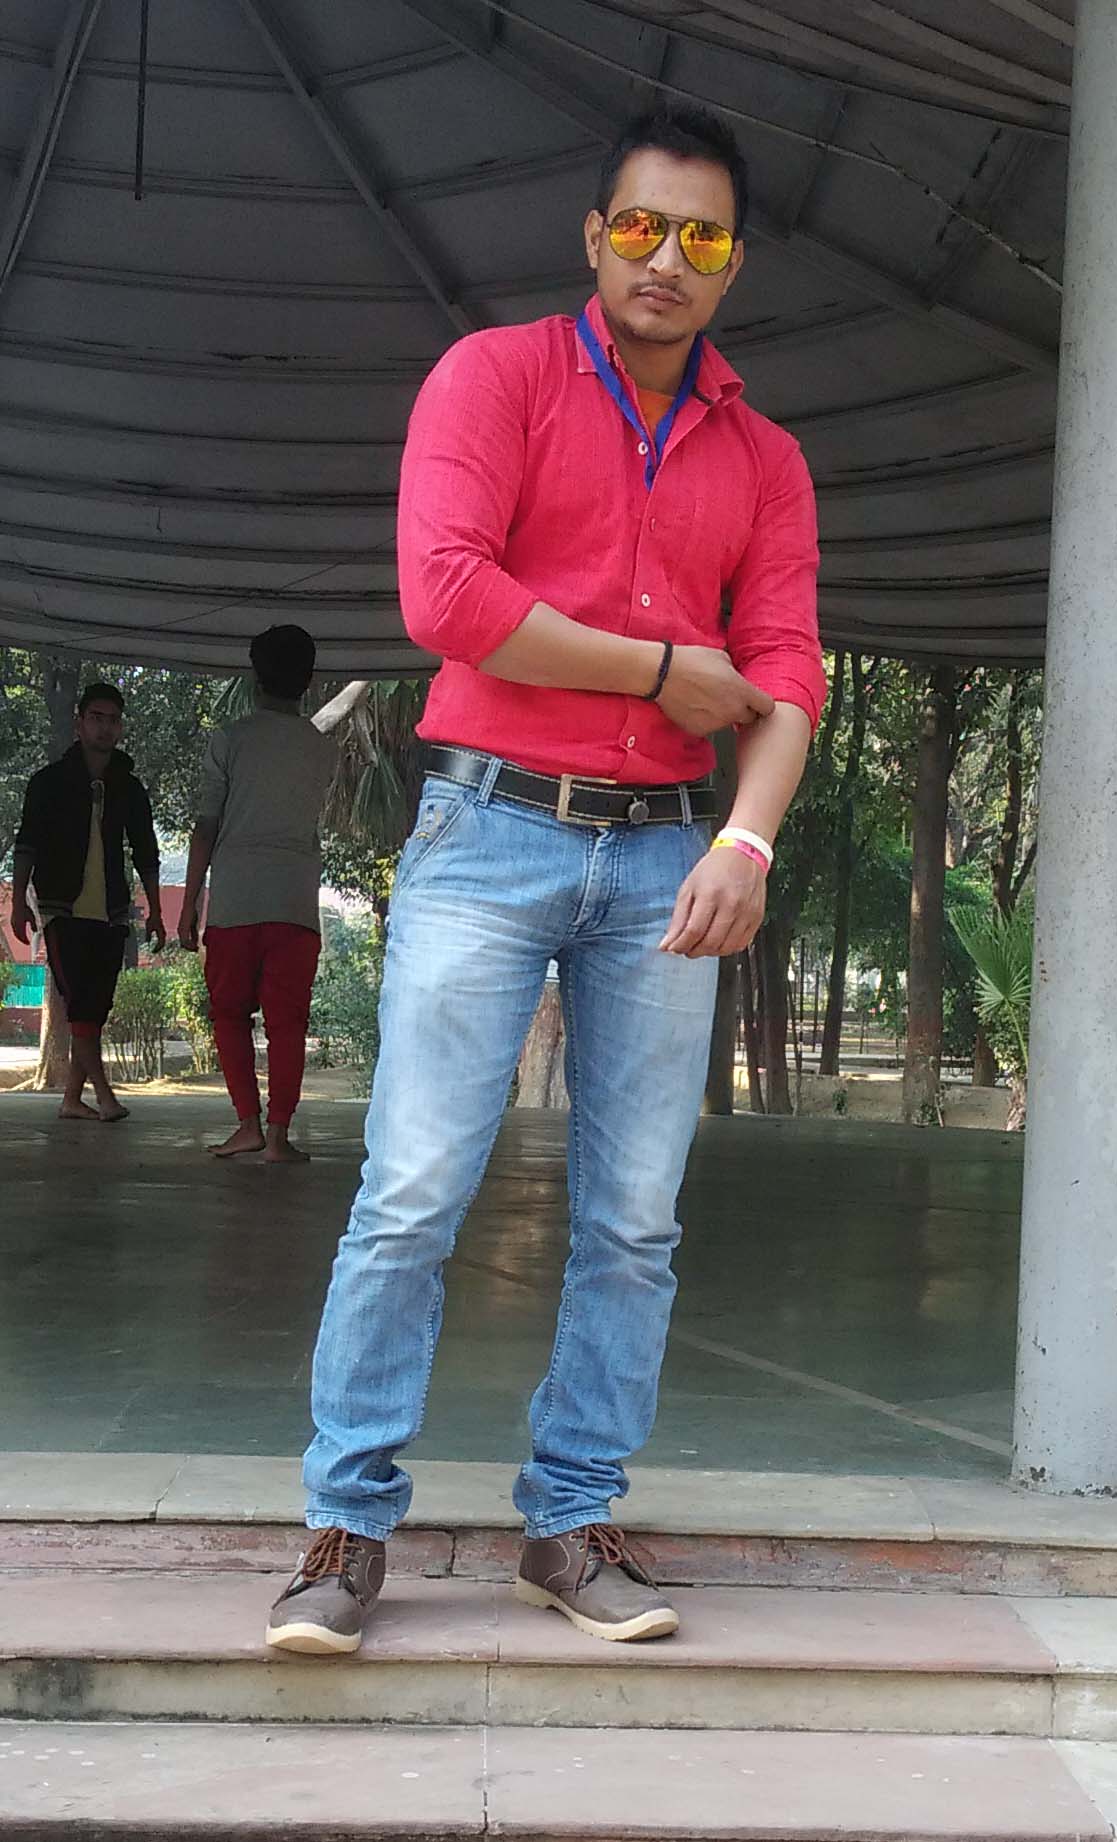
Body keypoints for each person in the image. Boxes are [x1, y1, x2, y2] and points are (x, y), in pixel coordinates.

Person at [266, 105, 824, 1656]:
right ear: (594, 235)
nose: (666, 258)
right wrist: (658, 667)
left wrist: (747, 839)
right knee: (411, 1192)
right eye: (640, 225)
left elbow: (785, 668)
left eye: (701, 236)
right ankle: (345, 1523)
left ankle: (569, 1523)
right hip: (489, 831)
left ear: (732, 263)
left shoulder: (765, 459)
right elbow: (446, 595)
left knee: (635, 1216)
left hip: (667, 852)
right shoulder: (494, 379)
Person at [178, 625, 336, 1164]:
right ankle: (278, 1135)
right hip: (295, 901)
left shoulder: (230, 739)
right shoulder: (322, 750)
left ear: (254, 676)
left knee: (229, 1014)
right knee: (288, 1022)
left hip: (235, 900)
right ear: (308, 681)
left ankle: (246, 1123)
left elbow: (206, 825)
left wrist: (190, 902)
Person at [12, 682, 163, 1122]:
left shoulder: (129, 788)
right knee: (80, 1003)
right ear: (79, 723)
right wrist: (19, 902)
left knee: (95, 1009)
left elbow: (147, 853)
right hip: (62, 906)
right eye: (96, 718)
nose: (105, 727)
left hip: (112, 911)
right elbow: (27, 845)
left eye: (113, 720)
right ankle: (105, 1096)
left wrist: (156, 910)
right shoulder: (48, 783)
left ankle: (71, 1099)